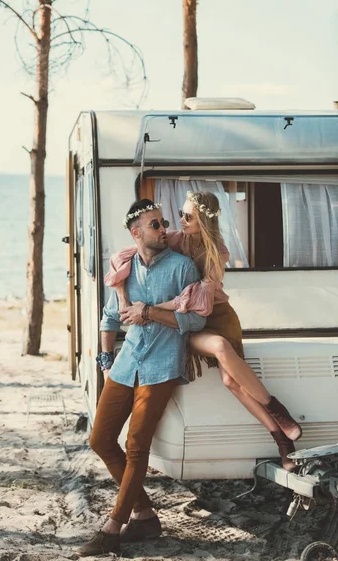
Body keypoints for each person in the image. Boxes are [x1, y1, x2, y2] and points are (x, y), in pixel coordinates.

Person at [105, 190, 302, 472]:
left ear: (204, 222)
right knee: (225, 362)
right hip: (188, 319)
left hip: (216, 316)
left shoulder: (217, 252)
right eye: (180, 215)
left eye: (188, 216)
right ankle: (279, 420)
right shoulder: (173, 239)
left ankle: (280, 431)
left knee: (231, 381)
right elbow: (120, 260)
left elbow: (199, 301)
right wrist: (124, 299)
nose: (178, 221)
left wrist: (148, 308)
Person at [76, 199, 206, 557]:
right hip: (125, 363)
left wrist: (149, 313)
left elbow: (196, 321)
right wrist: (105, 362)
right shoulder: (124, 268)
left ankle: (112, 528)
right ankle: (146, 515)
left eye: (164, 223)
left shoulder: (183, 269)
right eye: (155, 224)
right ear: (136, 233)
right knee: (100, 440)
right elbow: (110, 318)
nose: (164, 229)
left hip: (162, 366)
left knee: (136, 447)